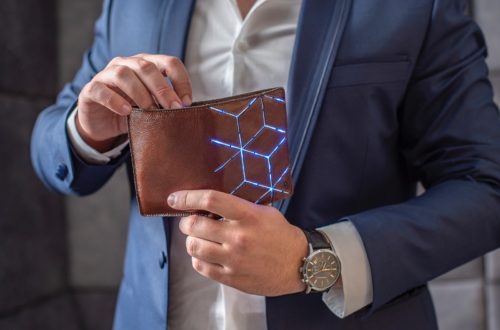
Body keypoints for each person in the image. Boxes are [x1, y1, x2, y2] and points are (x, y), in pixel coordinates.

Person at [31, 0, 500, 329]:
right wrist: (86, 130)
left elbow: (486, 187)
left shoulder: (417, 6)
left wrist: (315, 258)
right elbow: (53, 144)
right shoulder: (134, 4)